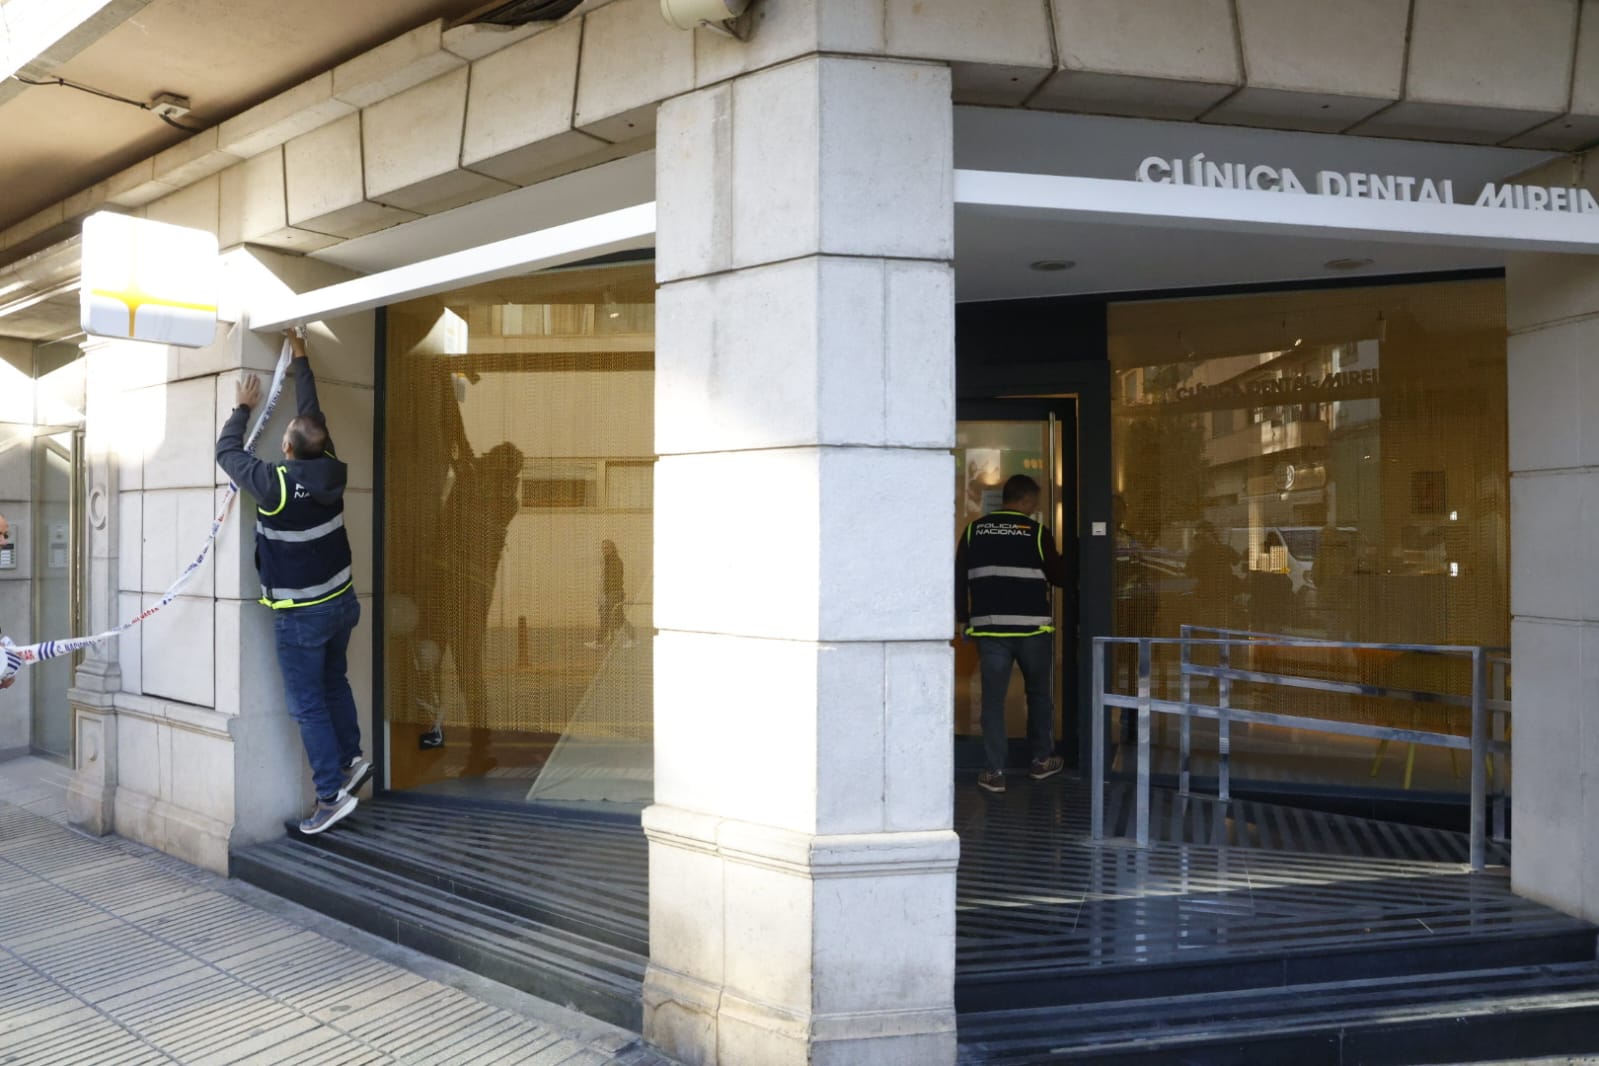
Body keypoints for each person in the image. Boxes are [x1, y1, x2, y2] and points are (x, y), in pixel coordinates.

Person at [215, 330, 369, 835]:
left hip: (302, 616)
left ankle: (329, 796)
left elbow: (227, 452)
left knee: (307, 705)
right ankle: (351, 759)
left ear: (286, 447)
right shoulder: (331, 470)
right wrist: (301, 355)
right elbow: (311, 412)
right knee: (334, 681)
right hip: (342, 604)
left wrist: (242, 407)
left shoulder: (274, 485)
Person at [955, 474, 1071, 794]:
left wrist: (962, 618)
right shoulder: (1036, 532)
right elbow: (1060, 577)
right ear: (1026, 500)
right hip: (1032, 630)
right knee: (1038, 696)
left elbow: (959, 577)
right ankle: (1041, 761)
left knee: (992, 701)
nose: (1035, 507)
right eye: (1034, 502)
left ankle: (994, 772)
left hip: (991, 630)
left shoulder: (974, 530)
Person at [586, 539, 635, 650]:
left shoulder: (615, 561)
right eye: (603, 548)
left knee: (609, 618)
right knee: (617, 618)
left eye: (607, 547)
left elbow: (614, 580)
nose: (604, 550)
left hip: (614, 594)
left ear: (613, 548)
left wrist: (607, 596)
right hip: (611, 594)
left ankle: (600, 642)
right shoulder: (607, 560)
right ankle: (631, 639)